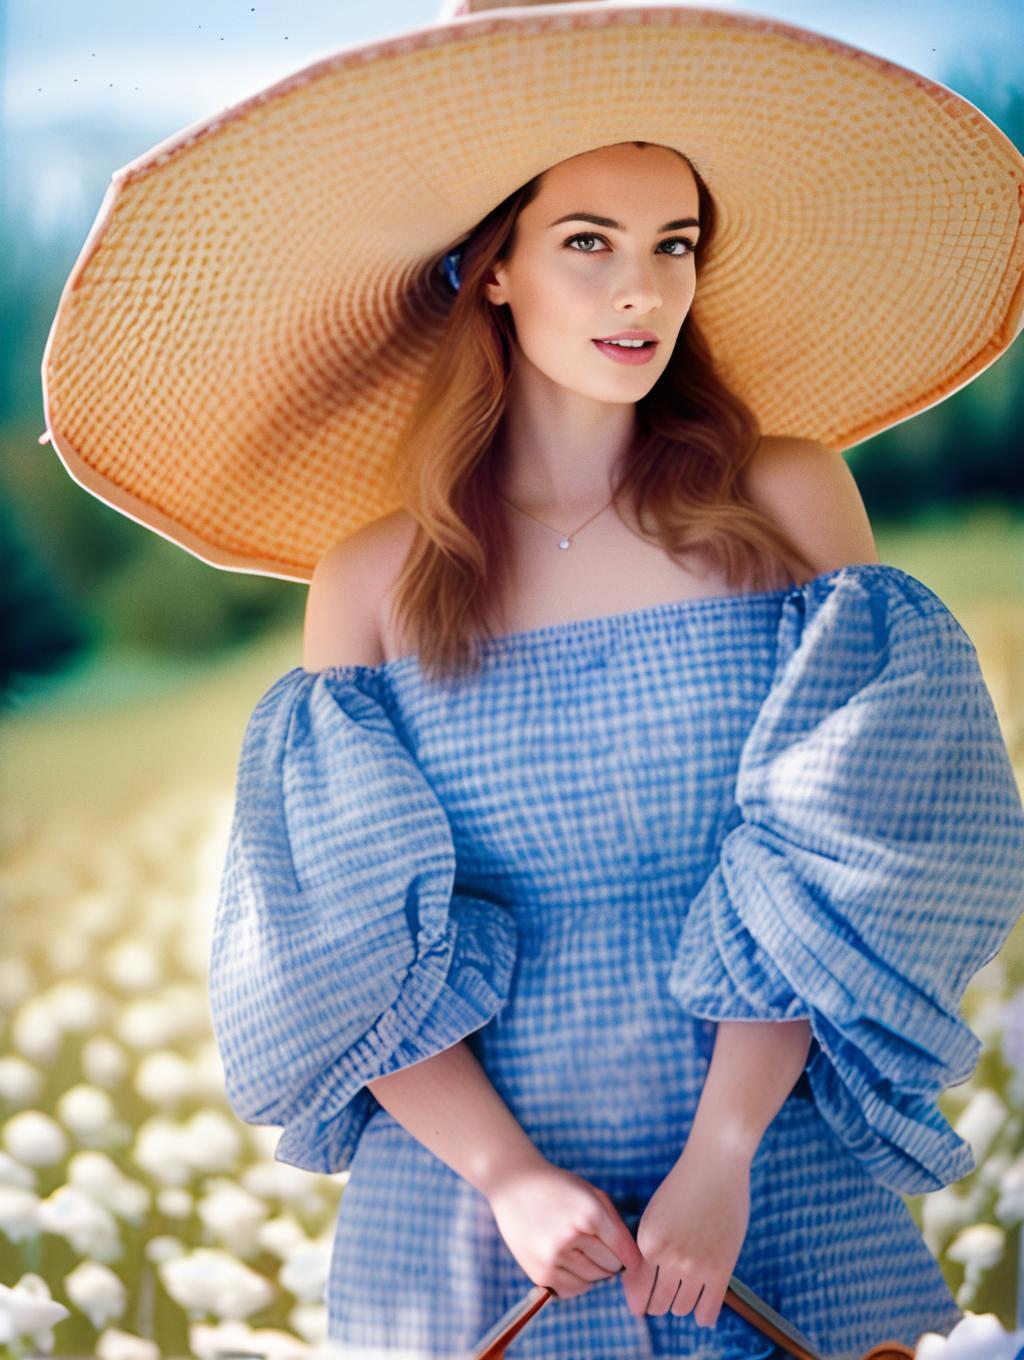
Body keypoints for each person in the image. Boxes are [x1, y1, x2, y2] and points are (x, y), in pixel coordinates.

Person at [209, 135, 1024, 1359]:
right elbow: (342, 957)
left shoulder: (790, 501)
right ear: (492, 270)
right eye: (587, 242)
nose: (642, 289)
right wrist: (509, 1178)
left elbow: (840, 861)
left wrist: (723, 1155)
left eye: (673, 246)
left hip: (775, 1180)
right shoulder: (370, 582)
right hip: (471, 1222)